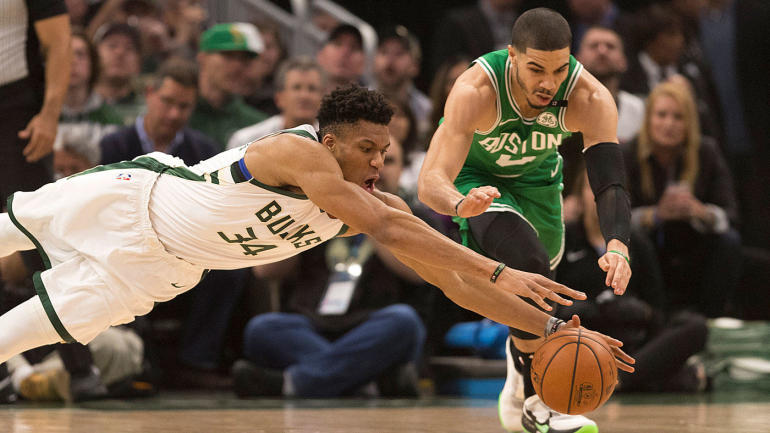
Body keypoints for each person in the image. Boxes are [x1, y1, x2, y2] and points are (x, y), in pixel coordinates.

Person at [0, 85, 635, 388]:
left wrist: (553, 328)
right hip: (133, 202)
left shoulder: (369, 199)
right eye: (366, 149)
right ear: (330, 142)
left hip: (157, 269)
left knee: (11, 338)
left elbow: (454, 282)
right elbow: (391, 227)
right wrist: (499, 268)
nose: (378, 162)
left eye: (384, 151)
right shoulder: (296, 153)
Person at [418, 8, 633, 433]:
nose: (548, 83)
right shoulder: (476, 89)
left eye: (559, 69)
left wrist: (617, 243)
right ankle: (540, 404)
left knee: (543, 287)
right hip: (475, 182)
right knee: (529, 263)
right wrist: (460, 204)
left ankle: (520, 368)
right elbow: (430, 182)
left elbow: (609, 181)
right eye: (536, 69)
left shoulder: (589, 97)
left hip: (538, 181)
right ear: (512, 56)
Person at [232, 134, 428, 399]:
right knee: (263, 329)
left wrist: (373, 219)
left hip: (372, 326)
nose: (378, 167)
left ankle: (293, 384)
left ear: (403, 170)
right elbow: (266, 272)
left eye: (389, 160)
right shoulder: (316, 209)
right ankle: (365, 383)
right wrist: (293, 214)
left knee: (404, 322)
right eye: (368, 157)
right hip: (311, 324)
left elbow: (420, 274)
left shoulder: (412, 216)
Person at [556, 169, 710, 394]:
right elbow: (552, 305)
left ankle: (618, 379)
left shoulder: (636, 240)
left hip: (631, 342)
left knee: (695, 326)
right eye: (593, 187)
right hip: (583, 341)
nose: (600, 194)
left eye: (609, 188)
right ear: (579, 196)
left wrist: (639, 311)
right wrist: (593, 309)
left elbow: (657, 308)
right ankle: (655, 379)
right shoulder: (566, 238)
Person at [623, 81, 741, 318]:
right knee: (634, 241)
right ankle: (652, 316)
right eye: (661, 115)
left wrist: (700, 212)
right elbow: (617, 218)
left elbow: (730, 214)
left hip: (692, 244)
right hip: (648, 244)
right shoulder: (628, 153)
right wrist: (656, 215)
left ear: (690, 123)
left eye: (678, 117)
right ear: (648, 119)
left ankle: (712, 317)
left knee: (729, 241)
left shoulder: (706, 151)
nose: (669, 124)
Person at [100, 57, 217, 165]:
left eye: (184, 106)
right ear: (149, 93)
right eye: (167, 101)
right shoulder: (113, 146)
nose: (174, 114)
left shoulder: (204, 153)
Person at [188, 22, 268, 150]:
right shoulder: (177, 111)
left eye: (244, 60)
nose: (237, 66)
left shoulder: (256, 125)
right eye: (228, 55)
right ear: (202, 57)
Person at [227, 57, 326, 150]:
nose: (304, 96)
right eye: (296, 88)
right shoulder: (246, 141)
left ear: (323, 99)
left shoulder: (331, 143)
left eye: (312, 89)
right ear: (279, 98)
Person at [576, 26, 644, 145]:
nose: (602, 51)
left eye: (610, 46)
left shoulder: (638, 109)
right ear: (578, 60)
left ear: (623, 61)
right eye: (594, 46)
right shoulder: (560, 108)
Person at [373, 25, 432, 144]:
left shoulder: (426, 110)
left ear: (415, 65)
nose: (390, 59)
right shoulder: (359, 103)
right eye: (384, 52)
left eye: (399, 54)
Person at [92, 22, 145, 125]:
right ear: (94, 56)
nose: (120, 52)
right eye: (112, 46)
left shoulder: (149, 111)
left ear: (139, 63)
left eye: (129, 48)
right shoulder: (76, 107)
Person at [316, 24, 365, 94]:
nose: (345, 52)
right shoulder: (302, 97)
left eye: (354, 47)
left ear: (363, 62)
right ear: (320, 54)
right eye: (338, 44)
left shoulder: (373, 100)